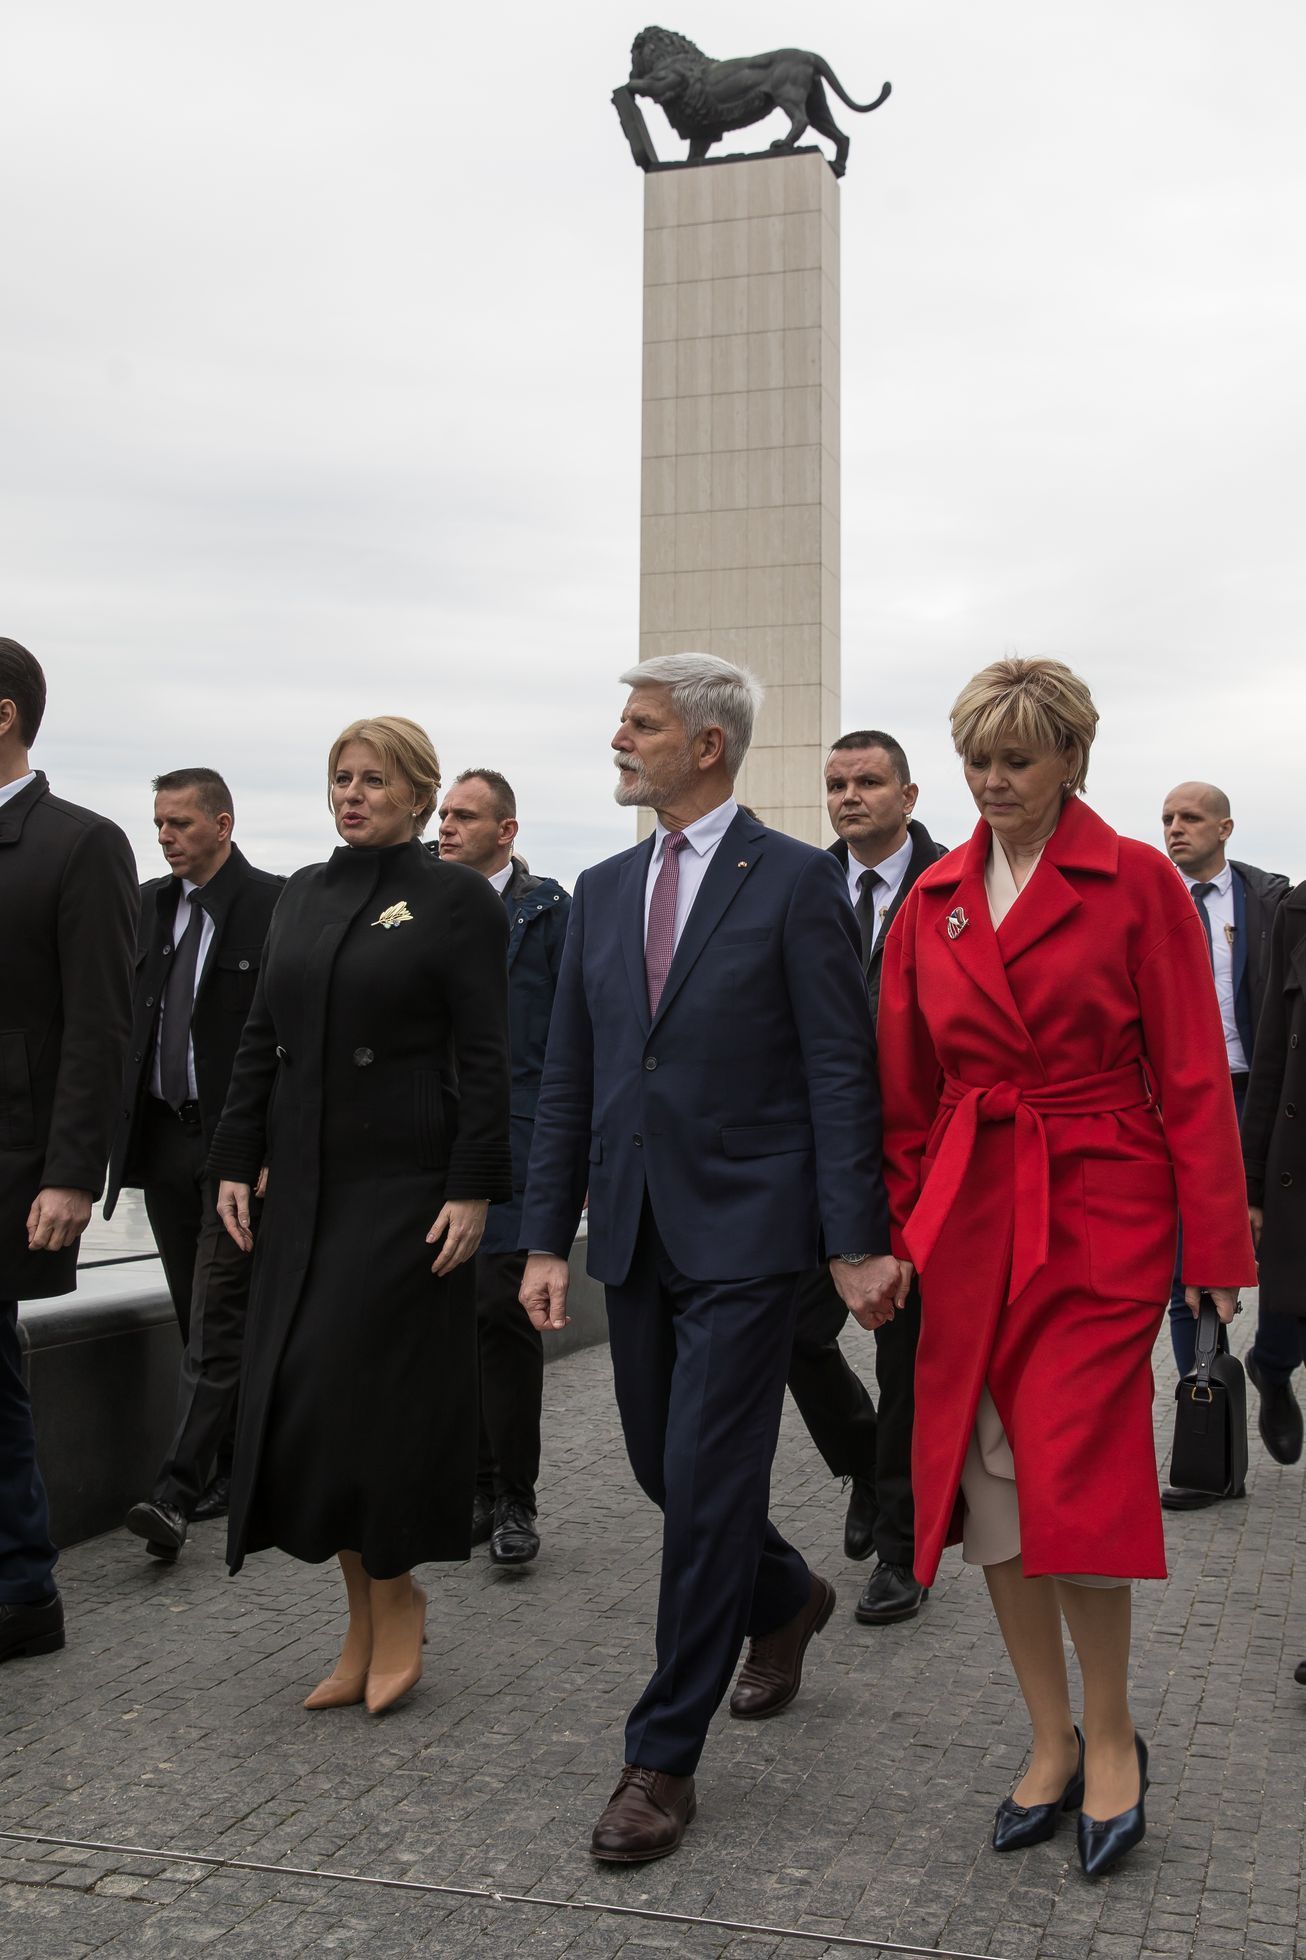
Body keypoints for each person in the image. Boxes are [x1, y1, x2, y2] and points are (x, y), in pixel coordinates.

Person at [877, 657, 1257, 1879]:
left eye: (1017, 762)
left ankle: (1111, 1734)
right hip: (970, 1204)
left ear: (1072, 762)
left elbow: (1193, 1070)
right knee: (989, 1477)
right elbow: (903, 1087)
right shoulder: (932, 893)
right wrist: (893, 1228)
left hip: (1100, 1199)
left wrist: (1214, 1246)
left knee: (1076, 1467)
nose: (991, 782)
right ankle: (1045, 1735)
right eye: (977, 760)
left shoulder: (1134, 879)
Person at [519, 653, 901, 1864]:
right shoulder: (597, 885)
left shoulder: (793, 883)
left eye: (640, 725)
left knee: (706, 1491)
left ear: (708, 746)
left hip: (750, 1239)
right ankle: (786, 1596)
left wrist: (851, 1239)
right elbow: (571, 1077)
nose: (618, 741)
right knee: (660, 1469)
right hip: (631, 1230)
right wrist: (543, 1234)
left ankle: (660, 1758)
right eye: (621, 723)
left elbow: (843, 1072)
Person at [210, 716, 511, 1715]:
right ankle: (365, 1611)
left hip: (405, 1189)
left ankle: (398, 1600)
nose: (352, 793)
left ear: (420, 796)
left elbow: (485, 1052)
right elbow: (262, 1038)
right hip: (303, 1184)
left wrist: (472, 1185)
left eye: (374, 780)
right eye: (341, 777)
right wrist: (231, 1159)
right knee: (306, 1402)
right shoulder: (302, 892)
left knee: (374, 1408)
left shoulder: (457, 900)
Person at [787, 730, 945, 1627]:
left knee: (907, 1359)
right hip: (812, 1158)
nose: (850, 797)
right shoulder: (806, 885)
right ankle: (860, 1461)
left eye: (869, 782)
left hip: (914, 1159)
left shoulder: (954, 884)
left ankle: (903, 1548)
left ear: (908, 794)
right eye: (837, 784)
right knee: (791, 1332)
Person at [0, 639, 137, 1664]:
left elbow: (101, 1023)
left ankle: (22, 1590)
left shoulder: (79, 844)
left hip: (13, 1162)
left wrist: (69, 1173)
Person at [107, 769, 282, 1558]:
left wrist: (268, 1146)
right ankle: (233, 1470)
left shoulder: (272, 904)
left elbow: (287, 1038)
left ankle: (174, 1491)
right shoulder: (149, 905)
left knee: (216, 1313)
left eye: (180, 823)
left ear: (222, 821)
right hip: (162, 1139)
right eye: (159, 825)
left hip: (233, 1147)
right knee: (196, 1310)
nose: (167, 837)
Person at [436, 768, 570, 1566]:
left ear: (506, 831)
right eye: (443, 814)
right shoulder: (415, 903)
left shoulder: (549, 912)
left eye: (464, 816)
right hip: (433, 1143)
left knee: (502, 1312)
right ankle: (475, 1490)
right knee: (452, 1323)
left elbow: (569, 1039)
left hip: (520, 1143)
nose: (446, 827)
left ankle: (515, 1499)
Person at [1159, 782, 1294, 1501]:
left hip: (1261, 1099)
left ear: (1226, 827)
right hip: (1181, 1105)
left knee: (1286, 1266)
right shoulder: (1150, 904)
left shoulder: (1271, 905)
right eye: (1168, 820)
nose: (1176, 830)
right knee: (1192, 1275)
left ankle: (1272, 1366)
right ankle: (1204, 1435)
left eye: (1190, 819)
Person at [1240, 881, 1306, 1685]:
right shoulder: (1298, 913)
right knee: (1287, 1315)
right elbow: (1272, 1045)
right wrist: (1249, 1187)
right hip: (1301, 1180)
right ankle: (1272, 1365)